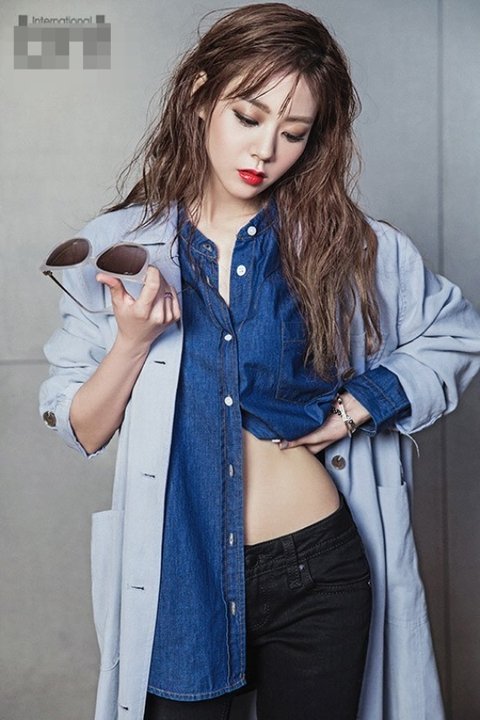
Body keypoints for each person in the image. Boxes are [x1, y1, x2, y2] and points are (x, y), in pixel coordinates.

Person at [39, 3, 480, 720]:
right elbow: (81, 426)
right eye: (248, 116)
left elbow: (454, 335)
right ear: (200, 96)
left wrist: (355, 408)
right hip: (183, 577)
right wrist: (131, 343)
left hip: (319, 569)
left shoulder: (344, 244)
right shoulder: (120, 249)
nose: (266, 148)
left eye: (294, 131)